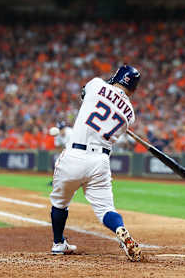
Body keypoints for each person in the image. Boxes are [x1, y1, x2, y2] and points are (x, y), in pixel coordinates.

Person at [49, 65, 142, 261]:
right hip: (100, 161)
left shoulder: (96, 84)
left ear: (116, 76)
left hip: (74, 154)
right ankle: (119, 229)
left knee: (60, 203)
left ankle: (58, 243)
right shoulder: (130, 115)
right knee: (106, 209)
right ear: (133, 89)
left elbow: (84, 96)